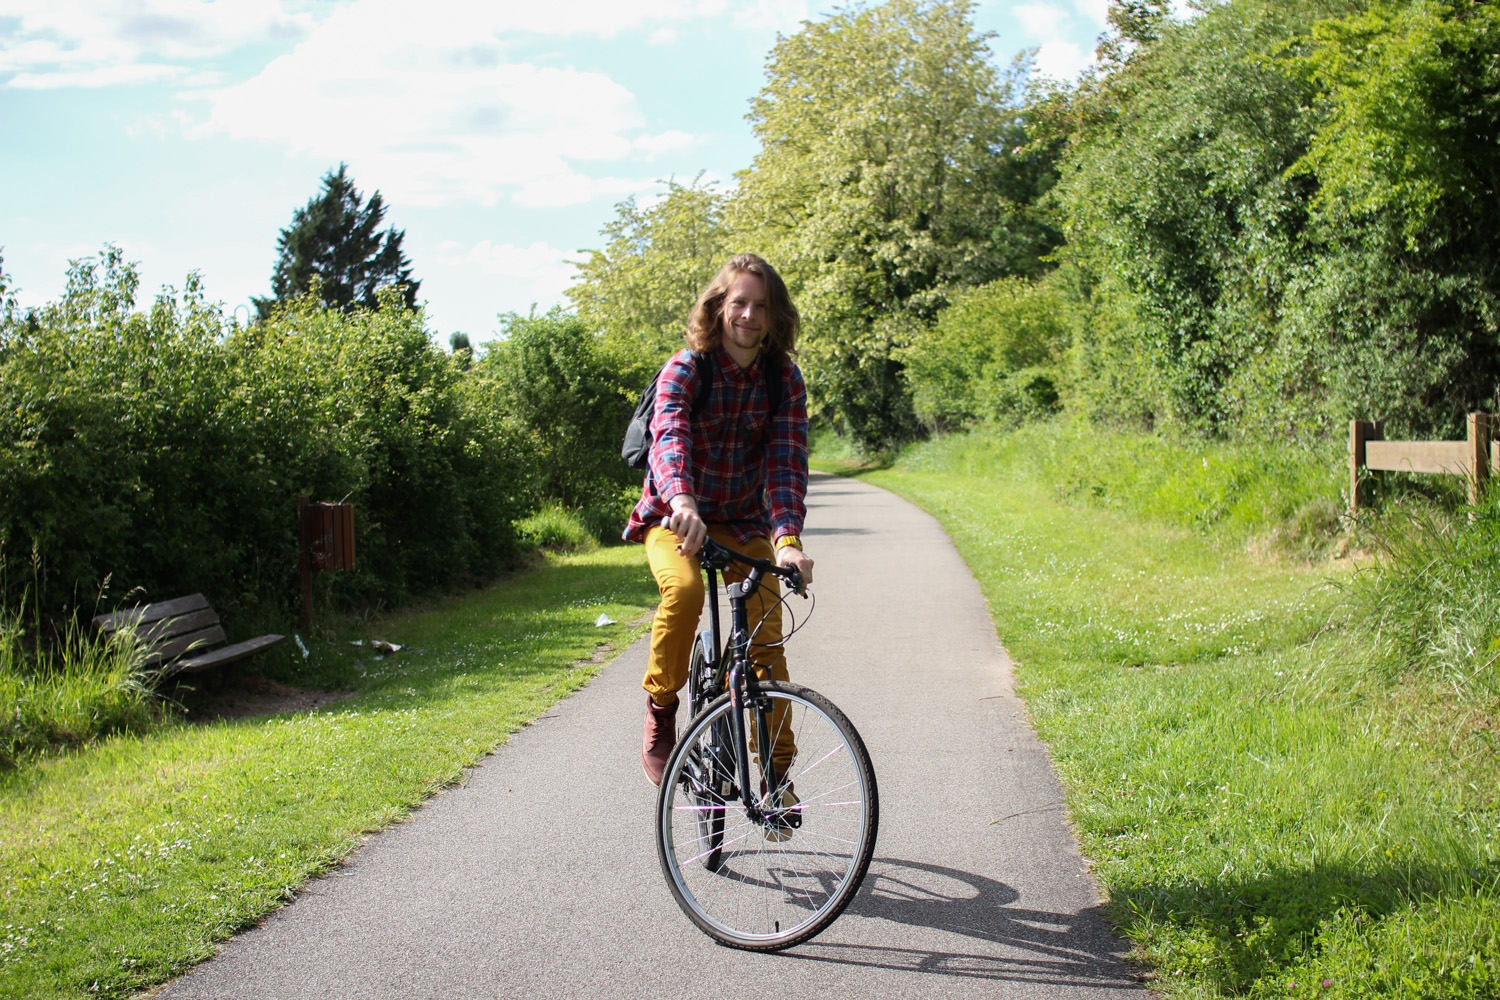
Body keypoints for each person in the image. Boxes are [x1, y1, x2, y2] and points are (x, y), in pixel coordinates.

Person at [624, 252, 814, 789]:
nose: (749, 315)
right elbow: (670, 442)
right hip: (674, 518)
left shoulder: (783, 380)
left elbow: (785, 463)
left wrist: (787, 541)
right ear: (718, 307)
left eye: (761, 306)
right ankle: (662, 709)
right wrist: (682, 502)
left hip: (744, 523)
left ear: (776, 317)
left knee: (765, 636)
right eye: (739, 303)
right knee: (683, 594)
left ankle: (776, 775)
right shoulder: (687, 367)